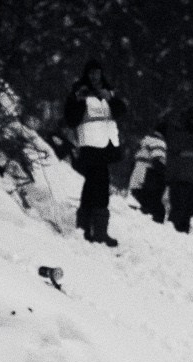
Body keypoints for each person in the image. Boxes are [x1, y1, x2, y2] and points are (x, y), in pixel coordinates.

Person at [62, 59, 125, 246]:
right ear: (86, 75)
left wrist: (110, 98)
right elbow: (71, 119)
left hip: (105, 146)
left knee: (92, 185)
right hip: (89, 145)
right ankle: (98, 231)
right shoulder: (79, 93)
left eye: (97, 72)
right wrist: (79, 100)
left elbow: (121, 111)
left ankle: (86, 228)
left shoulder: (107, 92)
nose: (95, 76)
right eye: (91, 73)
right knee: (99, 185)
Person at [164, 106, 193, 234]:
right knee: (184, 212)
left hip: (183, 179)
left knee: (181, 211)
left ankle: (175, 236)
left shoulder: (180, 134)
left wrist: (168, 179)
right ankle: (176, 236)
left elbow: (172, 157)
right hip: (191, 179)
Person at [130, 120, 168, 224]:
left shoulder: (145, 141)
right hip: (147, 181)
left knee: (145, 208)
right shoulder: (158, 142)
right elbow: (158, 162)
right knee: (157, 211)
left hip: (136, 180)